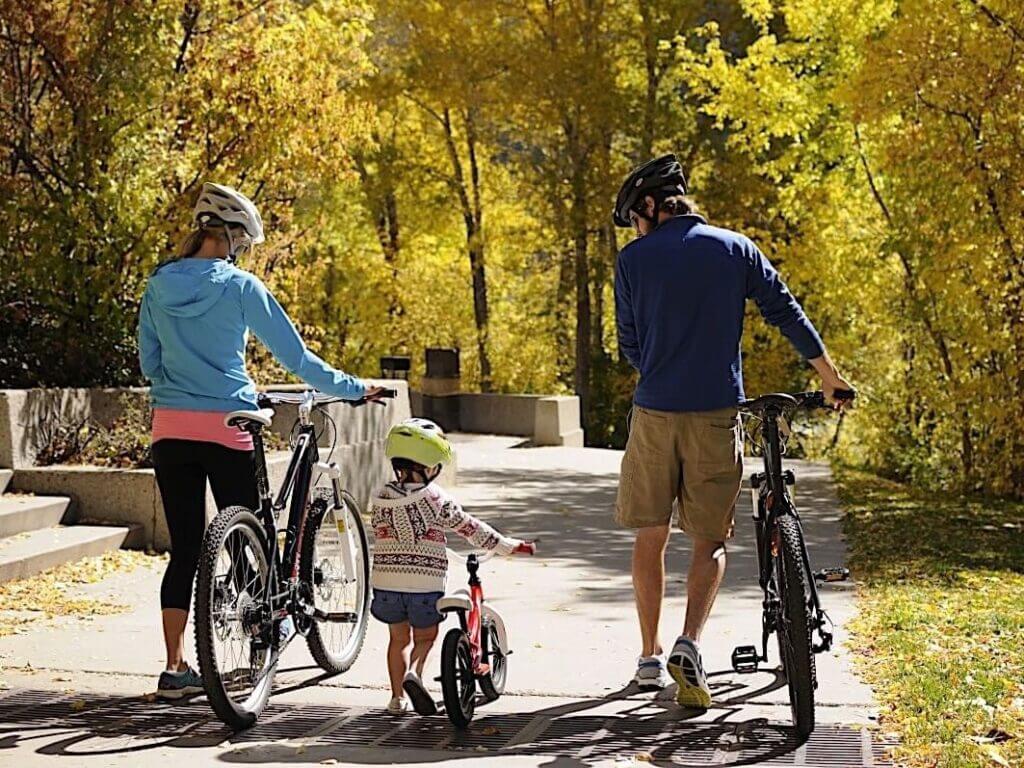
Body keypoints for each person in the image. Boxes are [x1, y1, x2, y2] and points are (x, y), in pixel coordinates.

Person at [612, 155, 853, 708]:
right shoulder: (735, 248)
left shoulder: (633, 261)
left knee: (650, 535)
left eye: (635, 217)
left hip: (653, 413)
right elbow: (785, 311)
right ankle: (690, 644)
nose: (636, 228)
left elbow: (629, 344)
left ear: (650, 206)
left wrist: (660, 365)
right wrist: (829, 378)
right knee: (710, 539)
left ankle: (648, 659)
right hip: (717, 414)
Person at [139, 182, 386, 699]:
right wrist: (355, 388)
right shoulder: (239, 286)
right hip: (228, 423)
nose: (242, 252)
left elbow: (150, 362)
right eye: (242, 243)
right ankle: (259, 644)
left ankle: (175, 667)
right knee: (251, 532)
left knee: (186, 547)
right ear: (230, 237)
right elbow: (298, 361)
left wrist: (179, 389)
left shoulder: (158, 283)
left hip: (169, 427)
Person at [369, 418, 536, 715]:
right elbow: (470, 528)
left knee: (398, 640)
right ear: (430, 466)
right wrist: (506, 545)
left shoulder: (381, 496)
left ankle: (396, 699)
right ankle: (416, 675)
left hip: (386, 584)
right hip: (424, 585)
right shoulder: (436, 499)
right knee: (425, 638)